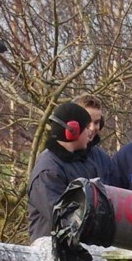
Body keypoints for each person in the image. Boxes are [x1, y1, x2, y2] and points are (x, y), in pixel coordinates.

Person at [25, 101, 106, 242]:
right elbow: (64, 218)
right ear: (72, 132)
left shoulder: (86, 162)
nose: (91, 131)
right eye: (86, 127)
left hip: (78, 251)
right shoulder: (48, 171)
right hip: (52, 255)